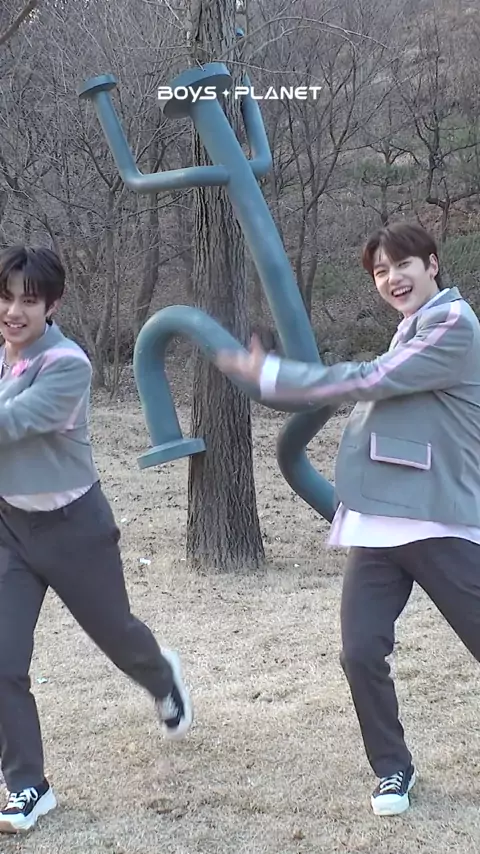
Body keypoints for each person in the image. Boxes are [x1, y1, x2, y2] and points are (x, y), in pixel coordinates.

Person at [215, 221, 480, 817]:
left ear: (433, 264)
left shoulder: (452, 325)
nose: (392, 279)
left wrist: (277, 375)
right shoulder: (412, 328)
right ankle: (393, 770)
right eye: (380, 271)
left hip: (433, 519)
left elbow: (371, 379)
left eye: (402, 265)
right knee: (359, 651)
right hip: (380, 521)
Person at [0, 245, 193, 834]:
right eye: (5, 298)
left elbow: (12, 423)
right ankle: (27, 787)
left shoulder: (67, 365)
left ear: (52, 305)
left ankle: (161, 676)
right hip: (10, 529)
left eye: (28, 301)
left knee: (117, 636)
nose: (13, 311)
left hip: (74, 529)